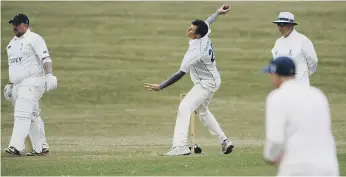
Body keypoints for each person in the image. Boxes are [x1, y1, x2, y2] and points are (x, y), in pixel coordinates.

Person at [144, 4, 234, 156]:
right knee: (203, 111)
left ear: (198, 35)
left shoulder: (196, 51)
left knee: (184, 107)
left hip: (206, 83)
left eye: (191, 30)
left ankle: (180, 146)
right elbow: (207, 22)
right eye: (190, 27)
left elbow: (180, 73)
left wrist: (161, 86)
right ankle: (225, 141)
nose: (188, 30)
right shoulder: (204, 33)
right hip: (212, 79)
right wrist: (217, 13)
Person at [262, 56, 339, 176]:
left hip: (298, 168)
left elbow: (275, 139)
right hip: (328, 167)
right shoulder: (317, 94)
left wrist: (270, 156)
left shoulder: (277, 97)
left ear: (276, 75)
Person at [4, 13, 58, 156]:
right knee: (32, 114)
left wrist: (49, 75)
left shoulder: (34, 39)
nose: (14, 27)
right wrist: (10, 84)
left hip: (33, 81)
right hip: (18, 85)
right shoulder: (11, 44)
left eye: (18, 24)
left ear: (26, 25)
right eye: (13, 24)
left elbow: (45, 58)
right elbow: (15, 67)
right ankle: (41, 147)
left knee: (22, 111)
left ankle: (16, 146)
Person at [271, 12, 318, 86]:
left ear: (291, 25)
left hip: (301, 85)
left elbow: (313, 61)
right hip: (283, 86)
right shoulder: (278, 42)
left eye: (282, 24)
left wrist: (304, 74)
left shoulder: (303, 40)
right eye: (278, 24)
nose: (280, 27)